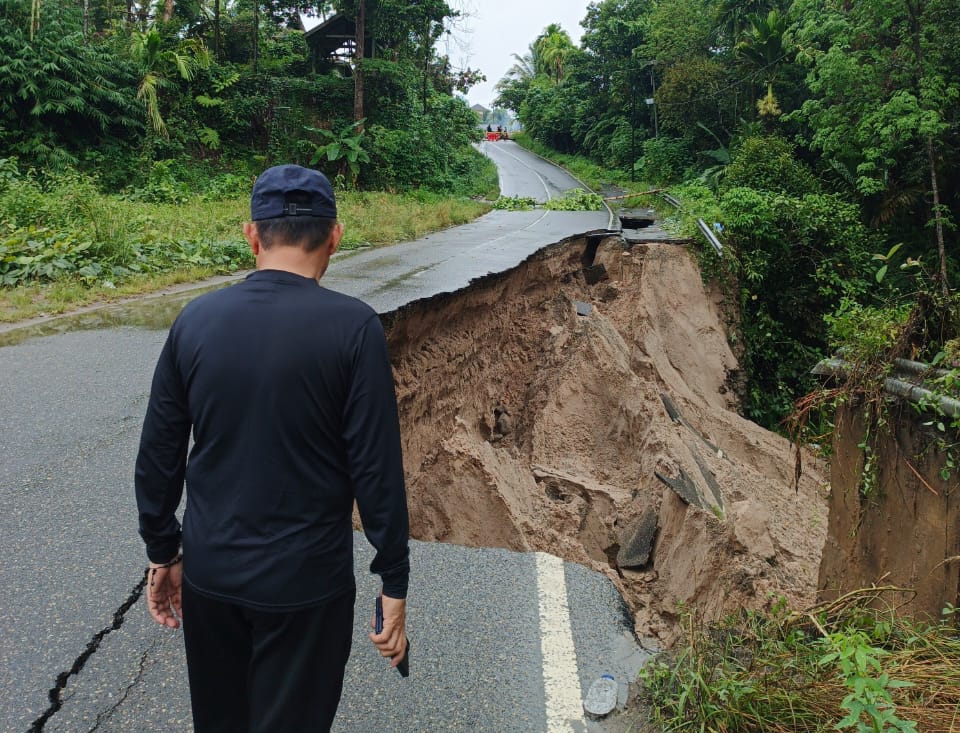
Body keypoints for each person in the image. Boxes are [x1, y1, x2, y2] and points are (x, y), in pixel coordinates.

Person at [135, 163, 410, 733]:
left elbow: (160, 452)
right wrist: (393, 580)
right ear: (335, 235)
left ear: (252, 235)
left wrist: (164, 551)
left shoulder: (196, 320)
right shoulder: (354, 329)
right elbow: (376, 469)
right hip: (307, 586)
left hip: (213, 577)